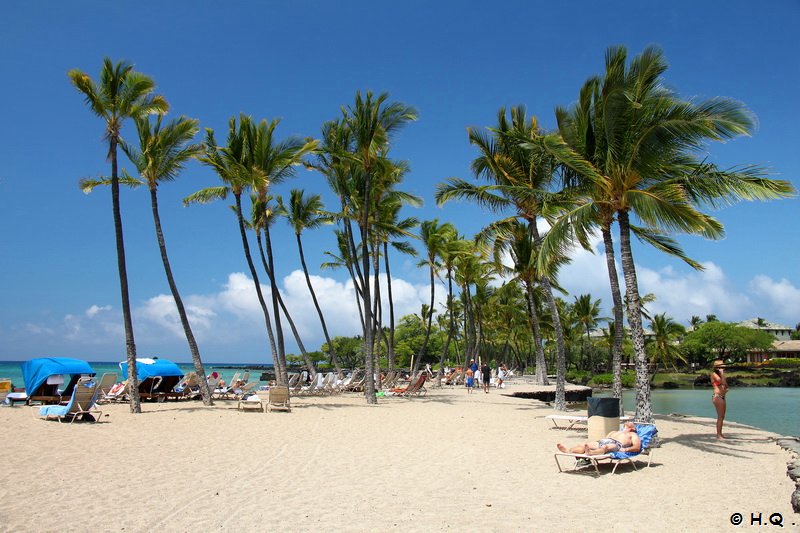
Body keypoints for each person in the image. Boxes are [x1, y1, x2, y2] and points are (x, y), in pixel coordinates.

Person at [557, 422, 641, 455]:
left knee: (606, 447)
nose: (627, 423)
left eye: (629, 424)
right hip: (604, 441)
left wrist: (625, 450)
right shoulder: (616, 431)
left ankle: (591, 453)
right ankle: (568, 451)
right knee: (584, 444)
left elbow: (637, 447)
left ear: (632, 428)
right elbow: (606, 438)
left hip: (617, 444)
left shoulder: (633, 434)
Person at [710, 359, 729, 439]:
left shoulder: (721, 375)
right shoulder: (714, 374)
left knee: (722, 416)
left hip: (722, 396)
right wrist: (722, 374)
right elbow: (721, 382)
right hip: (717, 396)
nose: (722, 369)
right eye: (721, 367)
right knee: (720, 416)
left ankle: (720, 433)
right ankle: (718, 434)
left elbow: (726, 385)